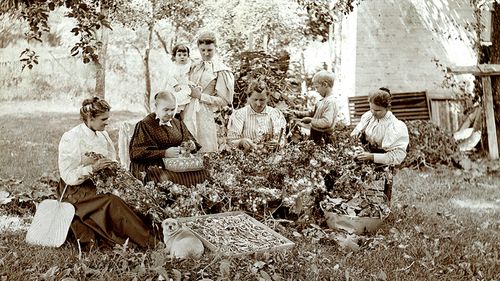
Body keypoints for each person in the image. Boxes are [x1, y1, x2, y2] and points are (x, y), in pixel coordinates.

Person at [57, 97, 156, 249]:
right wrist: (93, 168)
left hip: (101, 181)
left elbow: (112, 159)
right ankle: (148, 241)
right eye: (103, 119)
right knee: (113, 201)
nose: (107, 122)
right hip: (77, 189)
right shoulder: (72, 137)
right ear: (90, 118)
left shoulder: (102, 134)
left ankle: (156, 231)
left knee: (134, 195)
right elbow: (68, 175)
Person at [129, 91, 206, 186]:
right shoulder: (145, 124)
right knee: (172, 179)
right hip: (151, 166)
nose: (170, 113)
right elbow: (136, 153)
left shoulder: (177, 123)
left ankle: (195, 200)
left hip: (176, 164)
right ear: (156, 107)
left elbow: (188, 139)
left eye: (172, 109)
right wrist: (164, 153)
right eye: (166, 110)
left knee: (203, 173)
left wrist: (190, 145)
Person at [350, 88, 410, 201]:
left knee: (353, 172)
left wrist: (371, 156)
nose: (373, 112)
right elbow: (355, 135)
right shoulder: (368, 116)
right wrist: (357, 146)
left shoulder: (395, 126)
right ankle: (350, 199)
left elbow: (397, 156)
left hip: (382, 161)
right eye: (371, 108)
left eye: (377, 110)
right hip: (364, 153)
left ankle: (367, 202)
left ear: (387, 108)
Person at [185, 31, 235, 152]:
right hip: (187, 111)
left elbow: (225, 100)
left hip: (204, 113)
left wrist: (201, 96)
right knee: (186, 148)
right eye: (202, 50)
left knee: (204, 148)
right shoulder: (193, 65)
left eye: (209, 50)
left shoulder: (220, 70)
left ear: (215, 48)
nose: (206, 53)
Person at [227, 81, 287, 151]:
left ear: (268, 97)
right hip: (246, 157)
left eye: (262, 100)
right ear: (248, 97)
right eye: (255, 99)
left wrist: (278, 143)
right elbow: (231, 141)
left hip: (270, 156)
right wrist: (241, 142)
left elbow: (282, 139)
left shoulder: (275, 114)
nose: (258, 104)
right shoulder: (240, 114)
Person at [290, 70, 339, 144]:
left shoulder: (330, 102)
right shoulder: (322, 101)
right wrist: (297, 113)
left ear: (325, 85)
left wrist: (310, 120)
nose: (316, 90)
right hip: (316, 134)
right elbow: (312, 113)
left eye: (317, 87)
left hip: (324, 138)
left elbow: (326, 122)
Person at [165, 43, 193, 112]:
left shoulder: (188, 66)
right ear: (174, 56)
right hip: (174, 88)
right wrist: (175, 85)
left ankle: (181, 113)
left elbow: (190, 76)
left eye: (184, 55)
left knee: (184, 102)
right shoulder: (173, 67)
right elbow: (169, 77)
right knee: (173, 100)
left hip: (184, 87)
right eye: (179, 55)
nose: (182, 57)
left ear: (188, 56)